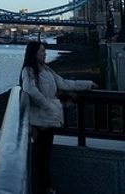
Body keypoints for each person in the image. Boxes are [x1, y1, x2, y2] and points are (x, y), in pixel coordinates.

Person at [19, 40, 97, 194]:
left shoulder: (47, 70)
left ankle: (44, 188)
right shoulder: (28, 70)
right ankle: (42, 189)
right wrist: (46, 105)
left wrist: (87, 84)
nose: (45, 53)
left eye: (44, 50)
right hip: (39, 121)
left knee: (45, 156)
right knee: (41, 157)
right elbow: (29, 89)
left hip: (49, 120)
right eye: (42, 51)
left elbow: (64, 84)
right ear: (33, 53)